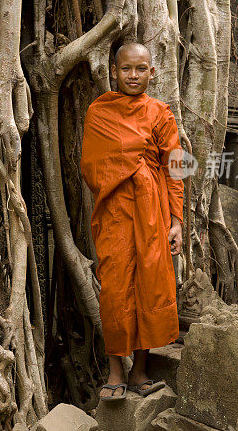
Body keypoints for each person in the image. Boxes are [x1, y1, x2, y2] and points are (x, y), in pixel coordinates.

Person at [80, 42, 184, 400]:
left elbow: (176, 168)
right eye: (126, 69)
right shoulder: (99, 112)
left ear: (152, 72)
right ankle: (114, 371)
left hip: (152, 213)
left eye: (141, 69)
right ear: (113, 71)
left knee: (149, 285)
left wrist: (177, 220)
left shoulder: (161, 113)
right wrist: (129, 164)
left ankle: (140, 371)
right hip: (114, 213)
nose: (134, 76)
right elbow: (92, 167)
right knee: (114, 288)